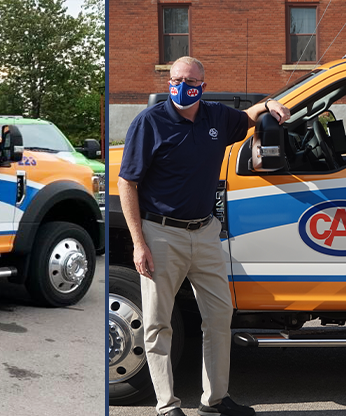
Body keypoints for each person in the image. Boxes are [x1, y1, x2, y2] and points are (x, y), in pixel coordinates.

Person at [118, 56, 289, 416]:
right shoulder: (149, 122)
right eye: (176, 80)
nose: (183, 86)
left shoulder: (215, 117)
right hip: (161, 234)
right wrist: (138, 242)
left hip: (206, 232)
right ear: (169, 83)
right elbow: (127, 182)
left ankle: (215, 400)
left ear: (203, 86)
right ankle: (166, 405)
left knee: (218, 316)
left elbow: (250, 115)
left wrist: (271, 104)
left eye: (190, 81)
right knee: (158, 323)